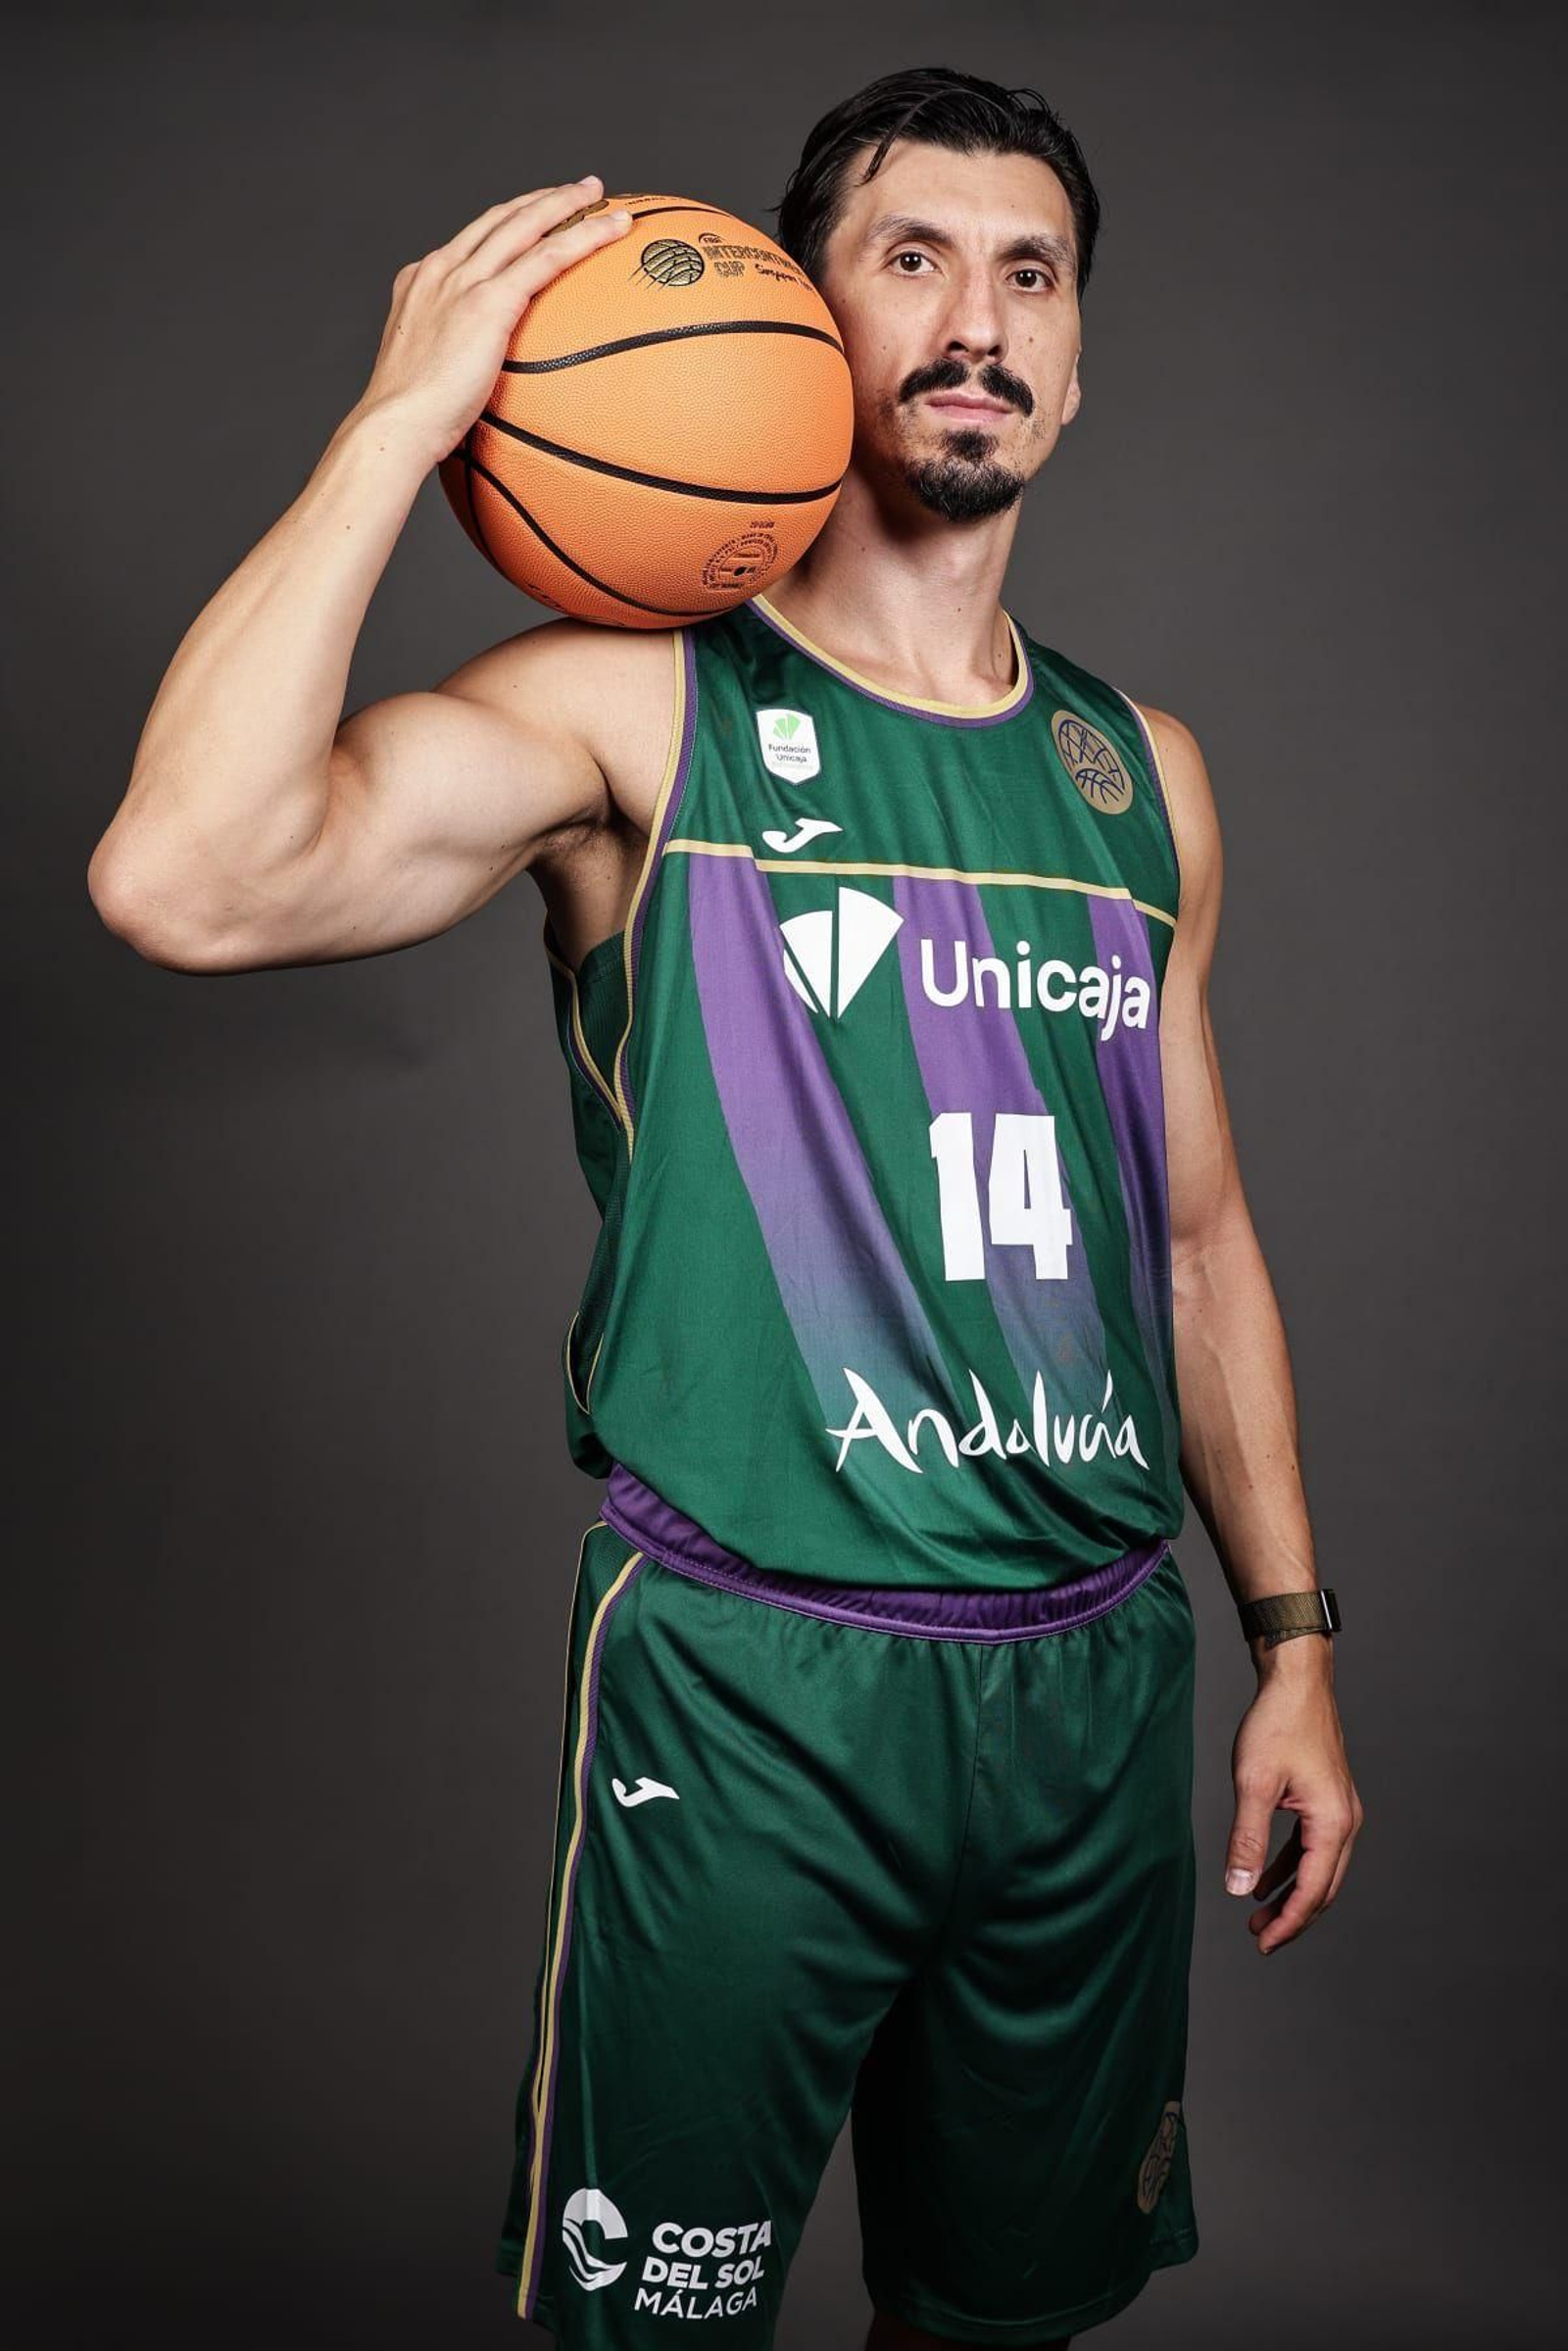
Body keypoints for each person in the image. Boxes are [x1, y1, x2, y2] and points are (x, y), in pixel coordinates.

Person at [88, 62, 1363, 2351]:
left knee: (1003, 2318)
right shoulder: (633, 716)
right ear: (801, 315)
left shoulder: (1132, 771)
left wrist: (1289, 1646)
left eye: (1028, 273)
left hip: (1090, 1689)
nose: (975, 318)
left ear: (1071, 356)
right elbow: (185, 877)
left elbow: (1188, 1242)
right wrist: (396, 426)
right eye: (912, 259)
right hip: (757, 1689)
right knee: (653, 2333)